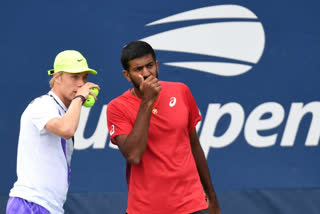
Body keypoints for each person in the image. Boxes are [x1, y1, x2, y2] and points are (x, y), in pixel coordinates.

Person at [107, 41, 221, 214]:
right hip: (145, 208)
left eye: (150, 66)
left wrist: (211, 196)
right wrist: (147, 101)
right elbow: (133, 155)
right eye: (138, 69)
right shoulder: (117, 107)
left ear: (157, 65)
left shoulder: (181, 91)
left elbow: (194, 146)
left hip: (192, 204)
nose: (146, 73)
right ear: (127, 75)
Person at [7, 50, 100, 214]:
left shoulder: (62, 111)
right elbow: (67, 129)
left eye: (84, 78)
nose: (81, 84)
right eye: (75, 77)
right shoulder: (42, 105)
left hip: (48, 207)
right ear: (57, 77)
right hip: (31, 204)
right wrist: (79, 98)